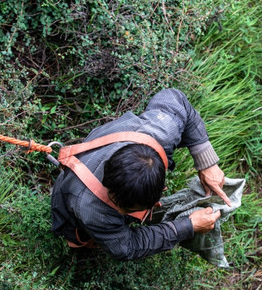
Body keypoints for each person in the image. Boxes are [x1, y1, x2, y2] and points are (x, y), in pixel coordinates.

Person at [51, 88, 231, 260]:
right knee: (79, 237)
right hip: (71, 201)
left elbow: (176, 99)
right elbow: (127, 247)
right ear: (107, 178)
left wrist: (207, 163)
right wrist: (187, 227)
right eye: (117, 204)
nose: (119, 210)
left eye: (130, 209)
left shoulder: (160, 131)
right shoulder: (92, 210)